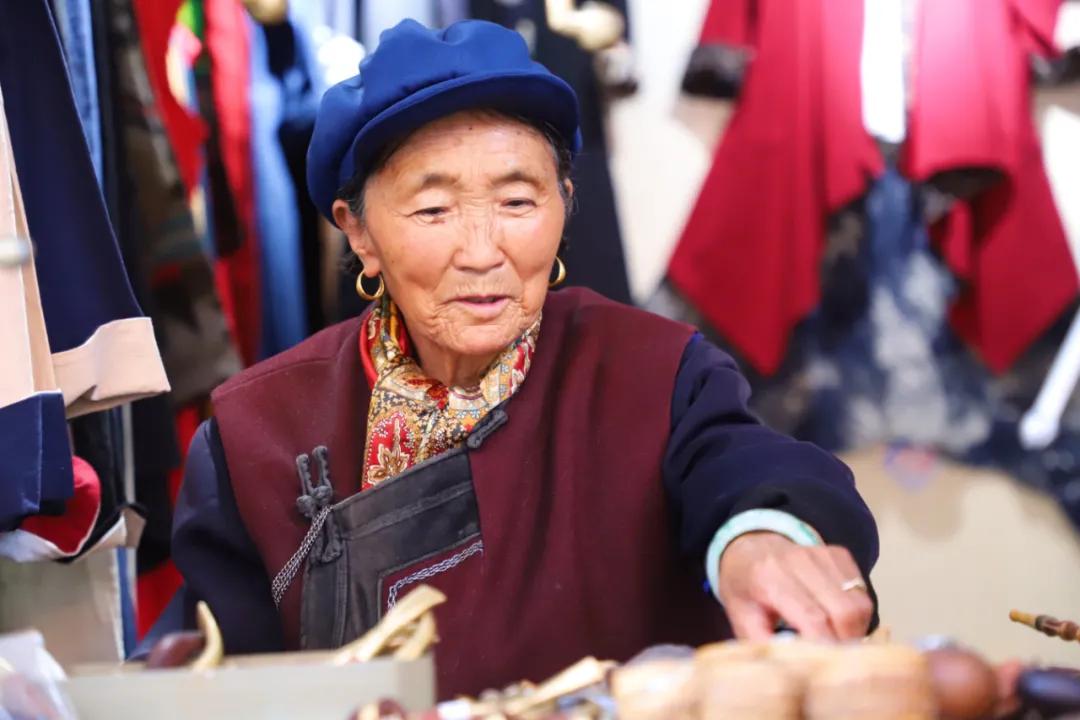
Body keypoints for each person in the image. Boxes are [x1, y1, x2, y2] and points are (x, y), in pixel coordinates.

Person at [170, 18, 879, 698]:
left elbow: (746, 466)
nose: (483, 252)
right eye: (433, 211)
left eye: (517, 201)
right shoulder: (256, 433)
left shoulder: (652, 373)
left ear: (565, 206)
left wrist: (758, 534)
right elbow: (211, 675)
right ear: (360, 235)